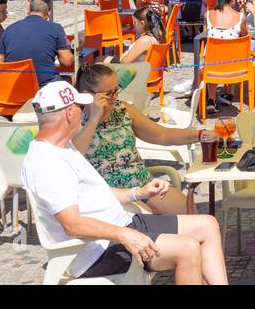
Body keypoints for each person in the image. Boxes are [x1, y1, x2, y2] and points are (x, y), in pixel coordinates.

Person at [20, 80, 227, 284]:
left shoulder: (62, 148)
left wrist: (138, 192)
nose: (82, 113)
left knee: (207, 225)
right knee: (187, 248)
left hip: (119, 226)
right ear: (69, 113)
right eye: (80, 107)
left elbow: (96, 192)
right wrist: (124, 234)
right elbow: (72, 224)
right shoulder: (47, 163)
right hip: (95, 251)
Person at [71, 64, 202, 215]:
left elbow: (162, 135)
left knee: (189, 211)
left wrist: (199, 135)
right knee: (150, 222)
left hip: (143, 184)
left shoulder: (122, 109)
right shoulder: (74, 118)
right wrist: (95, 117)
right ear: (88, 95)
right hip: (110, 196)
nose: (115, 98)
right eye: (108, 94)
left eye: (116, 90)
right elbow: (74, 156)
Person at [0, 0, 73, 87]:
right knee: (68, 79)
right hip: (44, 87)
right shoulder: (55, 28)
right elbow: (67, 62)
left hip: (13, 87)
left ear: (28, 10)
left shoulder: (9, 29)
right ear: (49, 12)